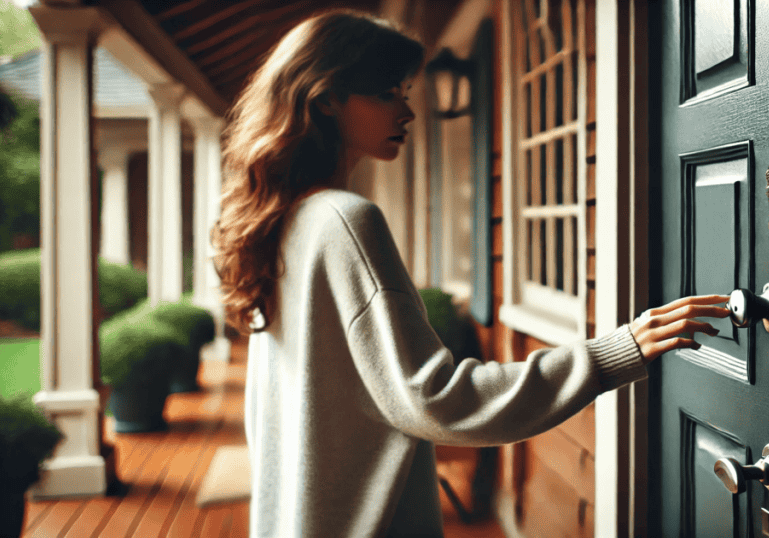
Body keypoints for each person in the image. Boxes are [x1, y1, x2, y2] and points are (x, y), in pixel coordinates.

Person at [212, 9, 729, 538]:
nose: (407, 110)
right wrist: (618, 351)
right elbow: (436, 400)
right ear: (326, 99)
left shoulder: (281, 223)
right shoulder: (344, 221)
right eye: (388, 92)